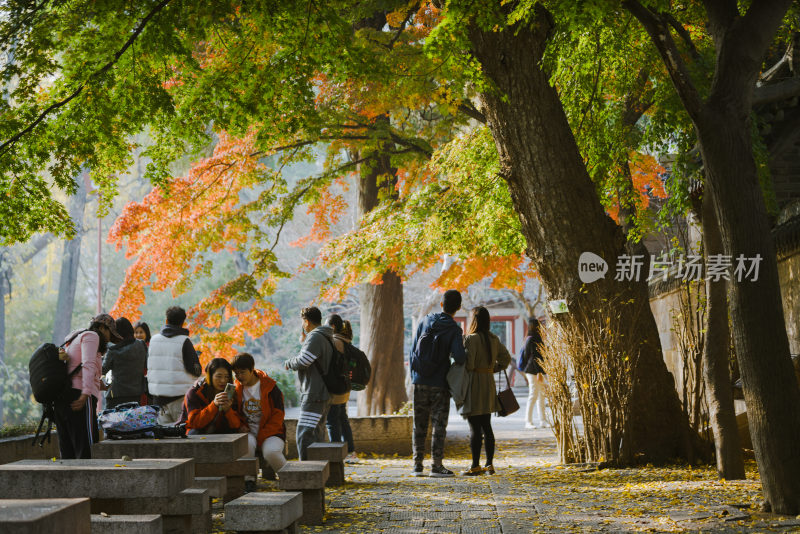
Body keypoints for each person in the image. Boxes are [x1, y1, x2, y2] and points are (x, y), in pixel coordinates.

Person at [409, 289, 466, 477]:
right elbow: (459, 357)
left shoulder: (425, 321)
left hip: (419, 381)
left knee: (419, 424)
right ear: (458, 307)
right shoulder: (454, 329)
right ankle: (436, 465)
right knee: (438, 425)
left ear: (441, 304)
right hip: (440, 383)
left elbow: (413, 350)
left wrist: (415, 376)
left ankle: (417, 465)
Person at [54, 314, 122, 459]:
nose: (109, 339)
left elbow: (77, 368)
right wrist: (85, 393)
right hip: (79, 397)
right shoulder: (92, 336)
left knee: (68, 451)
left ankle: (70, 481)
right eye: (110, 334)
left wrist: (99, 384)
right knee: (87, 448)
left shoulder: (76, 337)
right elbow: (88, 364)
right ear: (102, 328)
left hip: (64, 396)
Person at [460, 306, 512, 475]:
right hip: (488, 384)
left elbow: (469, 364)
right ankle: (489, 464)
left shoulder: (471, 339)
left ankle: (475, 465)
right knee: (487, 426)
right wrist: (493, 368)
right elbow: (506, 358)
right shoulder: (494, 338)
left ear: (474, 320)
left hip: (474, 385)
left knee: (475, 427)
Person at [231, 352, 287, 492]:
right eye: (236, 373)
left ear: (252, 370)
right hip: (248, 432)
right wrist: (241, 426)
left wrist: (262, 437)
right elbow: (234, 414)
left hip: (272, 432)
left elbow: (278, 415)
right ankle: (249, 480)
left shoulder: (270, 387)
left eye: (242, 372)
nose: (239, 376)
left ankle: (290, 479)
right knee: (246, 445)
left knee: (271, 452)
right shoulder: (236, 389)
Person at [284, 306, 333, 460]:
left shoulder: (316, 337)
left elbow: (304, 361)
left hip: (314, 392)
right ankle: (320, 468)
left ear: (306, 321)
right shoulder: (326, 336)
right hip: (324, 392)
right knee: (317, 432)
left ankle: (306, 470)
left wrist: (289, 362)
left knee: (304, 433)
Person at [147, 306, 202, 424]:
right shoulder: (184, 341)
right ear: (183, 322)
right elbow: (195, 370)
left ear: (166, 320)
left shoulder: (153, 340)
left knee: (163, 437)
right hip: (179, 398)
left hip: (157, 398)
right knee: (182, 434)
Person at [179, 357, 243, 434]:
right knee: (195, 433)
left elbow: (236, 426)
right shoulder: (194, 393)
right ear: (210, 376)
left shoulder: (231, 393)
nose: (223, 380)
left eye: (226, 377)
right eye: (218, 376)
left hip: (219, 432)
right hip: (194, 432)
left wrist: (228, 410)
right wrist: (214, 405)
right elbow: (195, 423)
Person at [325, 315, 357, 463]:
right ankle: (350, 451)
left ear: (332, 327)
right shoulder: (345, 341)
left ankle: (337, 455)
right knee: (343, 419)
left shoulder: (334, 342)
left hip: (336, 387)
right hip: (345, 387)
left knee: (332, 421)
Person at [101, 317, 148, 409]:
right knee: (133, 421)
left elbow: (102, 370)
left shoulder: (112, 349)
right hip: (136, 393)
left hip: (115, 395)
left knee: (113, 422)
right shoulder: (141, 345)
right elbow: (146, 365)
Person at [518, 317, 548, 429]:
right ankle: (528, 421)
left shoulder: (537, 338)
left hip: (539, 371)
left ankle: (543, 421)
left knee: (541, 396)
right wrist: (539, 371)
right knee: (533, 394)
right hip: (532, 371)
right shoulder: (531, 339)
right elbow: (528, 357)